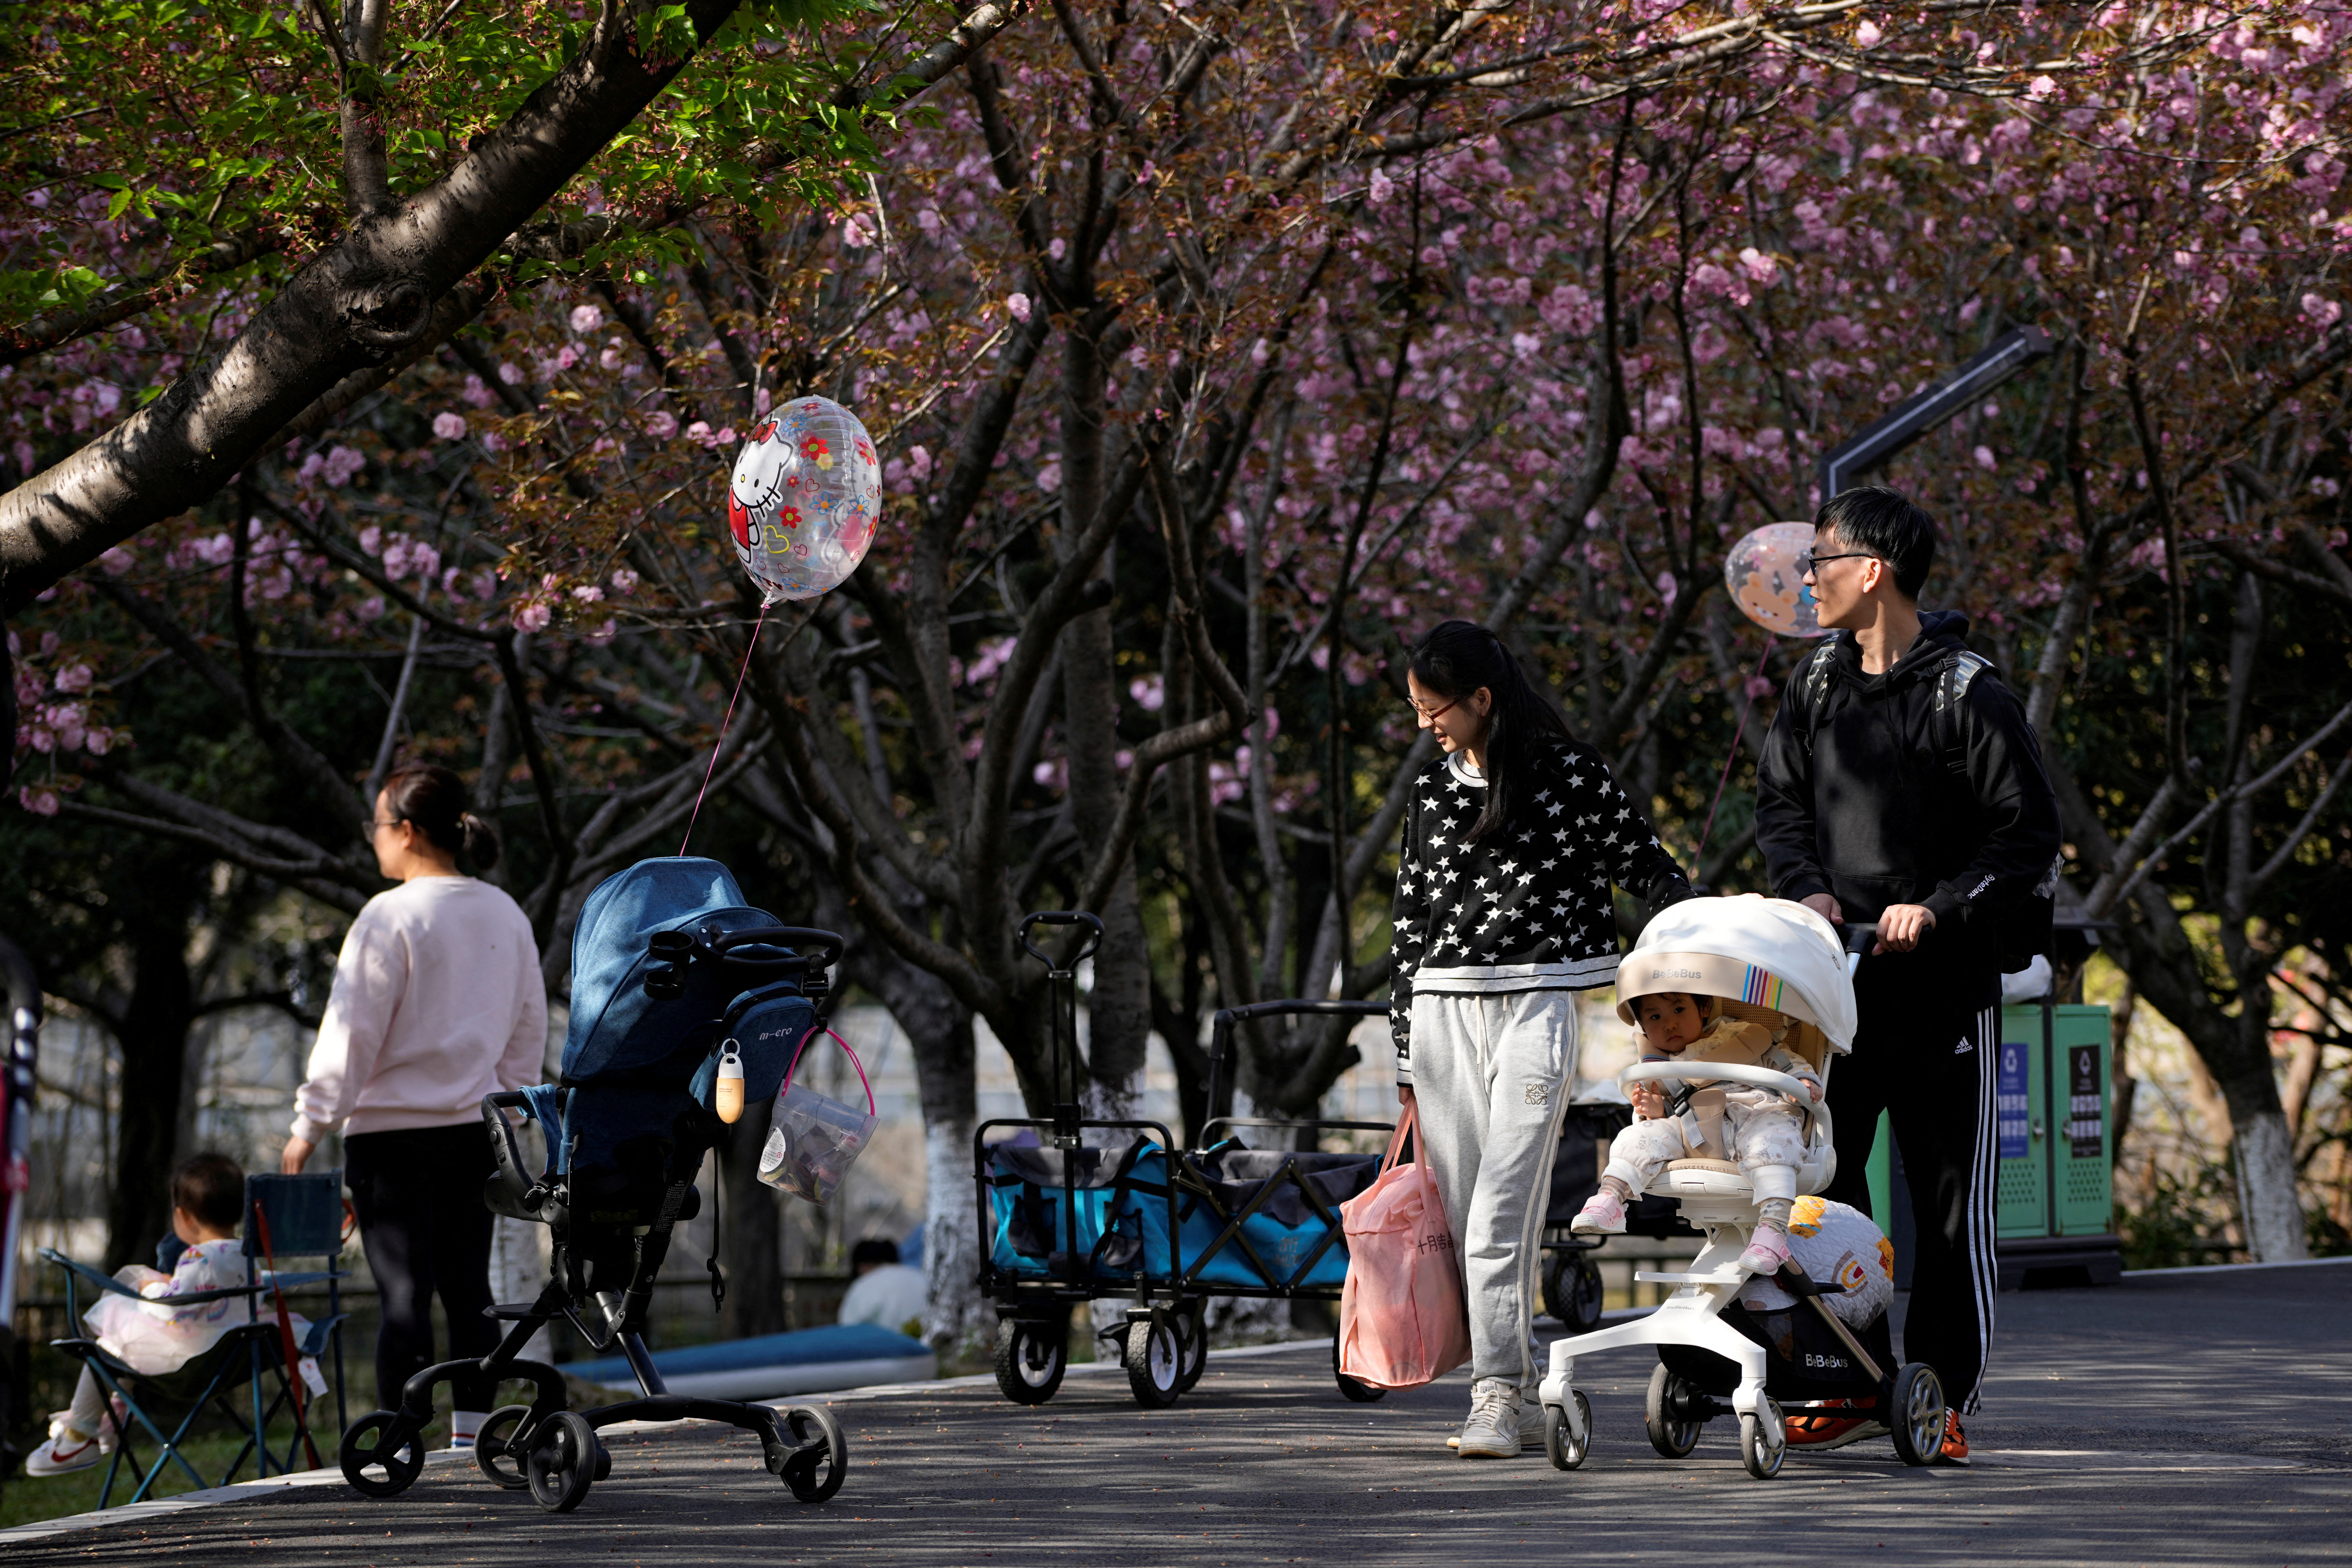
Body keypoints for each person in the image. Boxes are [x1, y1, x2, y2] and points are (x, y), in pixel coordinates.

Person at [1753, 486, 2062, 1465]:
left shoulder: (1967, 691)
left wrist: (1937, 904)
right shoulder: (1811, 685)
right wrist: (1804, 890)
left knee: (1942, 1207)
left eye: (1820, 562)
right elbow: (1779, 805)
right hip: (1833, 991)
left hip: (1941, 994)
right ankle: (1846, 1378)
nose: (1807, 580)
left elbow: (2027, 834)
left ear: (1871, 569)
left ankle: (1939, 1387)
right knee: (1828, 1196)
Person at [1389, 619, 1694, 1459]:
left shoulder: (1572, 774)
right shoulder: (1430, 793)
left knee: (1498, 1214)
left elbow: (1645, 862)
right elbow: (1408, 926)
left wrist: (1701, 920)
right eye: (1416, 710)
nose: (1427, 725)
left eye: (1436, 708)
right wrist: (1406, 1052)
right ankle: (1517, 1393)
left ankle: (1491, 1396)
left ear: (1483, 698)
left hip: (1536, 1008)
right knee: (1467, 1221)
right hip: (1443, 1012)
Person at [283, 762, 545, 1451]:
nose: (373, 839)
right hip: (474, 1132)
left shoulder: (387, 916)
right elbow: (528, 1022)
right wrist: (513, 1106)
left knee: (405, 1294)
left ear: (404, 830)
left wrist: (310, 1124)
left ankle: (399, 1436)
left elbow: (351, 1033)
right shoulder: (505, 912)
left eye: (376, 826)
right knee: (469, 1289)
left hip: (391, 1139)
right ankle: (473, 1434)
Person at [25, 1153, 323, 1477]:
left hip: (193, 1358)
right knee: (129, 1344)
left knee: (111, 1345)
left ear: (184, 1216)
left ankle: (78, 1436)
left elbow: (168, 1309)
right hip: (231, 1354)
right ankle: (110, 1419)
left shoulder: (197, 1257)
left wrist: (150, 1285)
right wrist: (177, 1285)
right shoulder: (246, 1253)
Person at [1568, 991, 1820, 1272]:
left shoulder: (1740, 1036)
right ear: (1642, 1027)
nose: (1669, 1024)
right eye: (1655, 1017)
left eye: (1678, 1010)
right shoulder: (1659, 1065)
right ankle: (1610, 1199)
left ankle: (1772, 1229)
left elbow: (1785, 1063)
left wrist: (1802, 1081)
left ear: (1703, 1008)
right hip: (1691, 1130)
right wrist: (1653, 1110)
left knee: (1775, 1138)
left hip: (1755, 1116)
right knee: (1637, 1135)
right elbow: (1662, 1115)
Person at [836, 1238, 928, 1336]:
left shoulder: (865, 1285)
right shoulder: (921, 1278)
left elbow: (848, 1332)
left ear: (862, 1266)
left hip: (882, 1349)